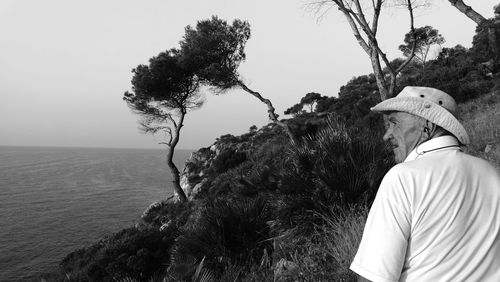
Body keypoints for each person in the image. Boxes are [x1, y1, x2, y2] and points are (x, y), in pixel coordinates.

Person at [350, 86, 500, 282]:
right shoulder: (490, 172)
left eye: (394, 123)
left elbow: (374, 277)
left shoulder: (403, 178)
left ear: (427, 127)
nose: (387, 135)